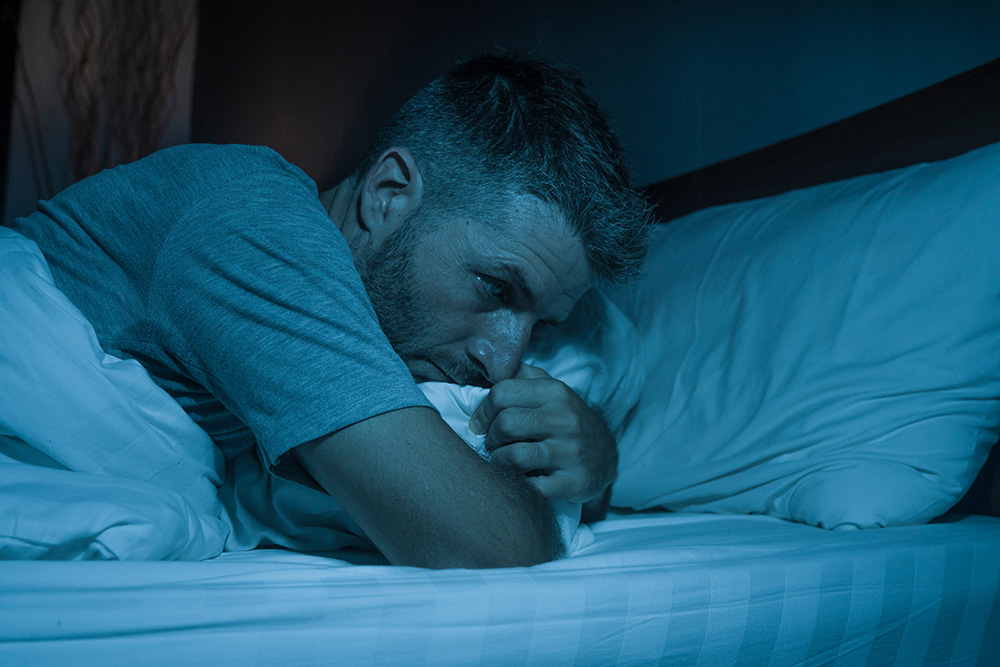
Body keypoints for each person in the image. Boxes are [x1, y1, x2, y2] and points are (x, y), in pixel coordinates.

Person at [12, 53, 654, 568]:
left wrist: (595, 463)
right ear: (388, 195)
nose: (504, 359)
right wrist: (577, 496)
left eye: (540, 326)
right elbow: (480, 542)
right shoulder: (259, 227)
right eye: (494, 288)